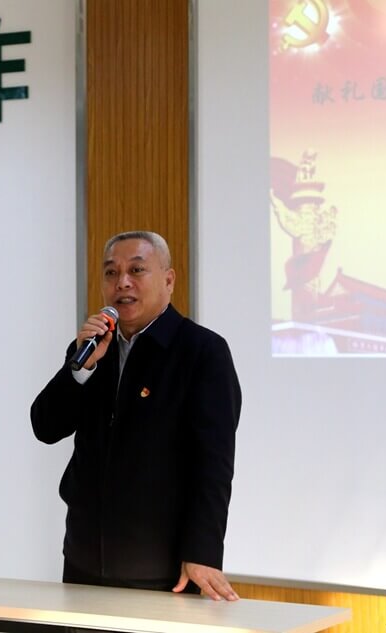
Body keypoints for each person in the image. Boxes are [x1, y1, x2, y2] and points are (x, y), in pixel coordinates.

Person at [30, 231, 241, 601]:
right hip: (84, 559)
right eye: (111, 272)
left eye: (137, 270)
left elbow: (213, 464)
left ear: (169, 280)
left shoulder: (202, 351)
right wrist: (80, 370)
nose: (122, 282)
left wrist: (203, 552)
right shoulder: (92, 350)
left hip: (158, 567)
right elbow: (45, 426)